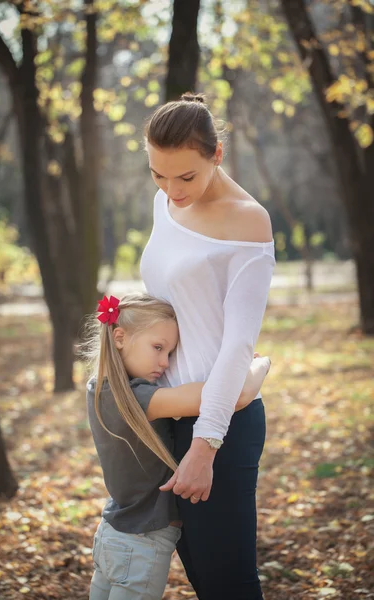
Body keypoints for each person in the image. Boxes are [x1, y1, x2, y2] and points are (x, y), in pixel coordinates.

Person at [140, 93, 276, 600]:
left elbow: (238, 343)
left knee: (229, 582)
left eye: (186, 177)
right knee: (200, 573)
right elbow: (167, 302)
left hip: (220, 427)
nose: (171, 190)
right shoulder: (165, 203)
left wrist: (205, 446)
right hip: (169, 414)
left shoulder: (249, 222)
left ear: (216, 154)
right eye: (158, 174)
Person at [85, 292, 271, 600]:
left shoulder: (98, 387)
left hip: (112, 534)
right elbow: (234, 395)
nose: (164, 363)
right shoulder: (138, 399)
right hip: (140, 545)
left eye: (170, 353)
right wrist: (262, 364)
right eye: (158, 348)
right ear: (119, 337)